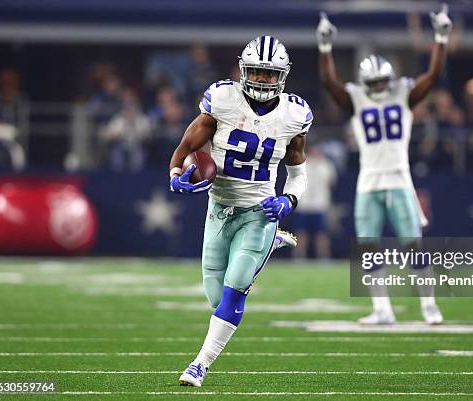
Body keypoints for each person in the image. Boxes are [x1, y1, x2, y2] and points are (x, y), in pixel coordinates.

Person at [168, 36, 311, 387]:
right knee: (216, 297)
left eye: (270, 73)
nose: (263, 79)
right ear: (244, 70)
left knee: (234, 291)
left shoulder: (294, 115)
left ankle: (199, 365)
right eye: (258, 72)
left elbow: (298, 171)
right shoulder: (222, 99)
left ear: (283, 76)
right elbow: (186, 146)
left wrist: (288, 200)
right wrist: (175, 176)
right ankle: (272, 244)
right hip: (219, 207)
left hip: (260, 212)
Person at [316, 5, 452, 325]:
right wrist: (325, 47)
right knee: (368, 247)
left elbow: (432, 76)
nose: (378, 87)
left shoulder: (404, 93)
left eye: (382, 82)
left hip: (399, 178)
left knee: (413, 245)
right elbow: (329, 82)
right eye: (373, 83)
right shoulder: (356, 98)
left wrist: (441, 38)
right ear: (365, 82)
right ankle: (381, 309)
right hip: (369, 181)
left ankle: (430, 306)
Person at [291, 144, 337, 260]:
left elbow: (331, 182)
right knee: (301, 232)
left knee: (322, 233)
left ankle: (323, 256)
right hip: (304, 204)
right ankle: (299, 256)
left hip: (319, 205)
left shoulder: (326, 164)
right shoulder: (302, 164)